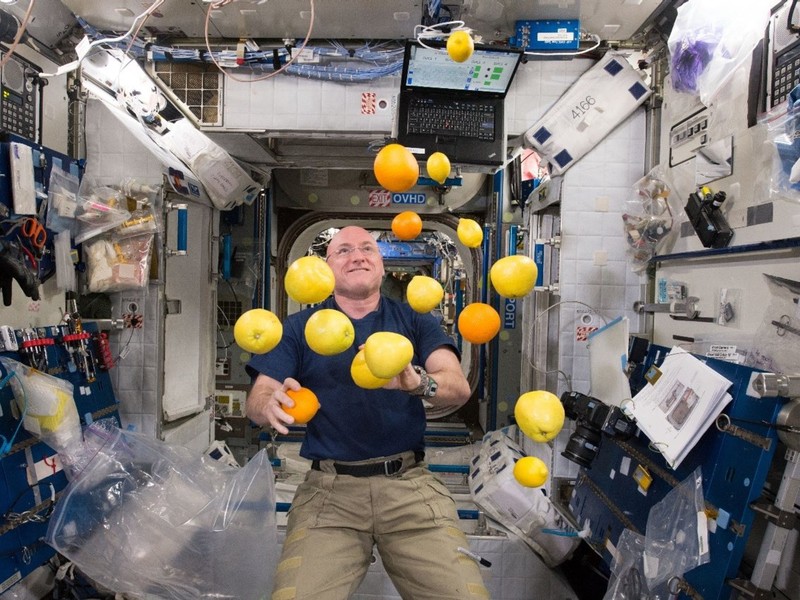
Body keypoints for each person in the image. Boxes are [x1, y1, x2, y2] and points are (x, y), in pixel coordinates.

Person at [246, 226, 489, 600]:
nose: (357, 256)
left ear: (380, 263)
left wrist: (418, 382)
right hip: (329, 495)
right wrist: (268, 403)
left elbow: (458, 386)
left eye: (367, 249)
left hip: (410, 488)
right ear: (326, 267)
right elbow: (258, 398)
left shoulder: (415, 320)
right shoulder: (298, 329)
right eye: (343, 250)